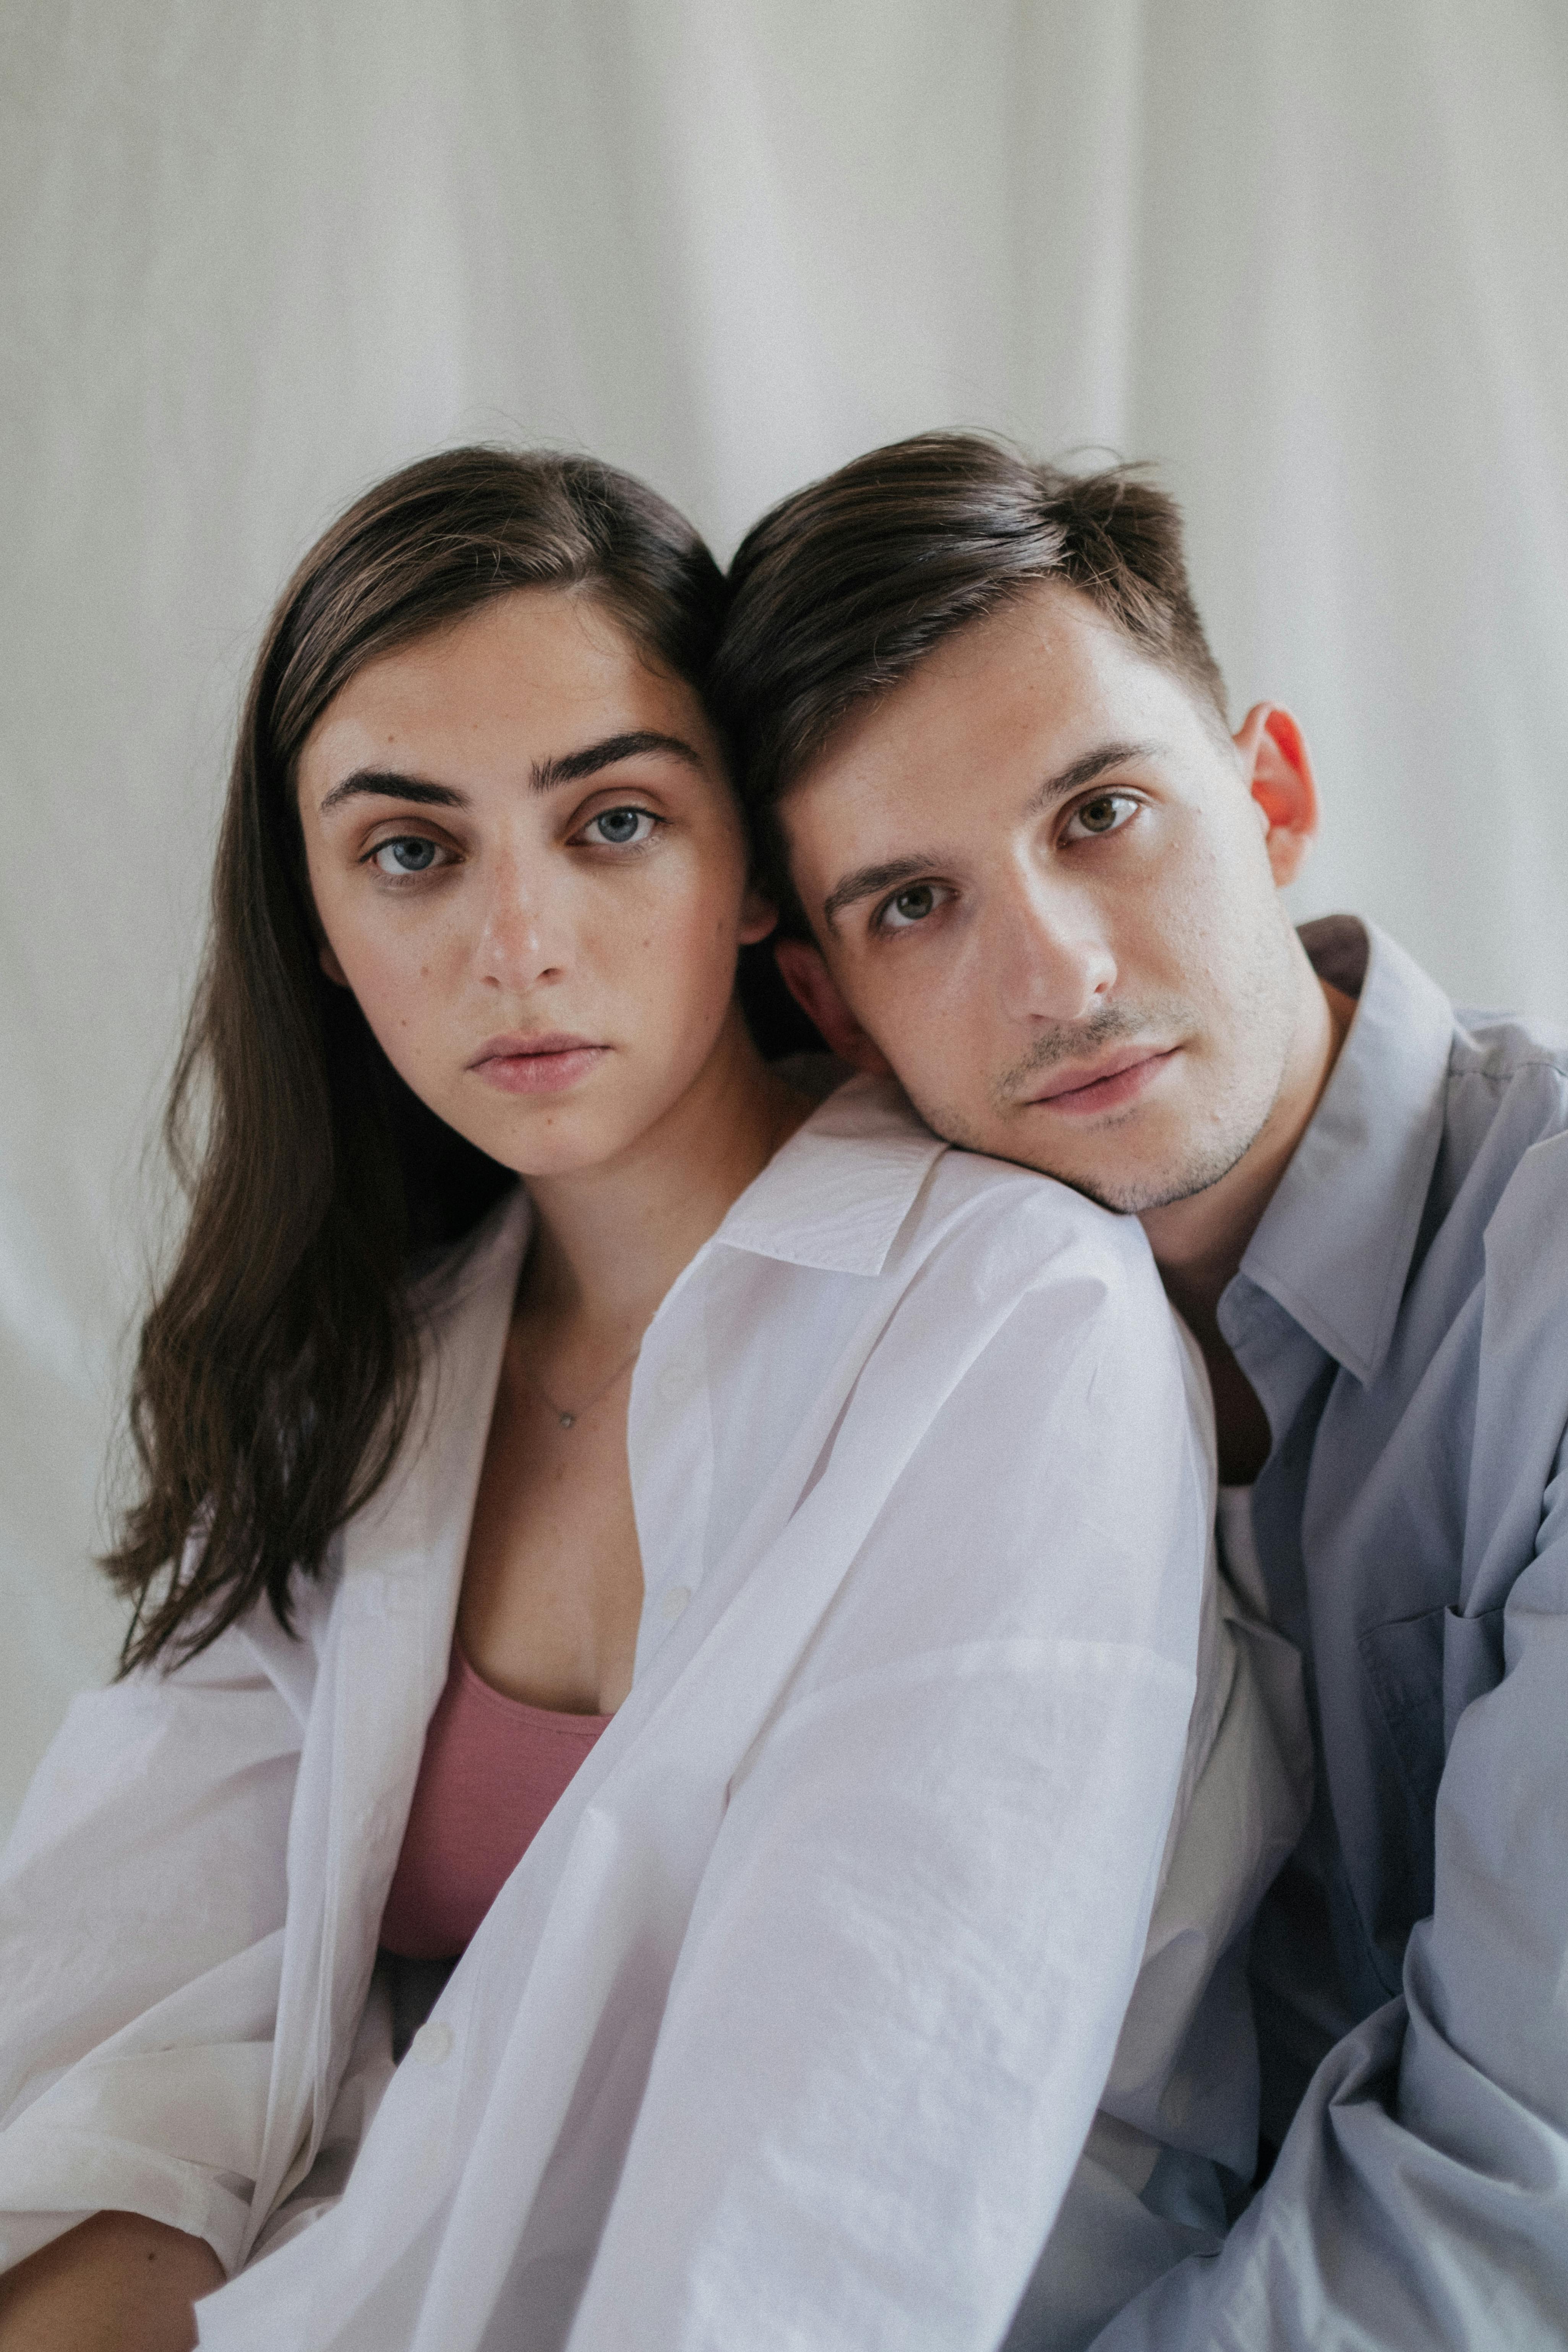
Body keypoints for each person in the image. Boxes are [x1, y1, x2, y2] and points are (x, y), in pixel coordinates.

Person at [0, 448, 1303, 2352]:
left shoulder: (1008, 1322)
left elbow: (839, 2188)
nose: (516, 946)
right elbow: (130, 1998)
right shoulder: (362, 1354)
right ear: (316, 914)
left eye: (610, 823)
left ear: (758, 873)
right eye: (414, 850)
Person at [712, 428, 1568, 2350]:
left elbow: (1517, 2203)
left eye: (1102, 813)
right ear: (832, 1007)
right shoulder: (914, 1338)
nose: (1058, 973)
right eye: (913, 905)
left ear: (1273, 794)